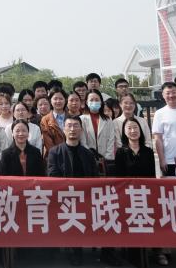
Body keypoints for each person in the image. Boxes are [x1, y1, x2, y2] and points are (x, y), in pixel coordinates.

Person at [47, 116, 98, 266]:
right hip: (63, 198)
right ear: (63, 129)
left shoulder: (88, 154)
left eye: (76, 126)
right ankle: (72, 250)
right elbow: (52, 176)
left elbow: (95, 178)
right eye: (69, 126)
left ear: (81, 130)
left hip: (85, 198)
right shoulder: (55, 152)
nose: (72, 129)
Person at [81, 89, 117, 174]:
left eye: (97, 100)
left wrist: (107, 157)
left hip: (106, 160)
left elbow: (111, 139)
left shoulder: (108, 119)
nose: (94, 102)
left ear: (101, 102)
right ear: (86, 102)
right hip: (88, 159)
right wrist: (90, 157)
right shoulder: (81, 119)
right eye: (91, 100)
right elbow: (82, 141)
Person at [39, 88, 68, 156]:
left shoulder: (72, 117)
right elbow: (48, 142)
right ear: (50, 101)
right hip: (53, 156)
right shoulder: (45, 120)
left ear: (65, 100)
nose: (58, 101)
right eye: (55, 99)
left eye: (61, 99)